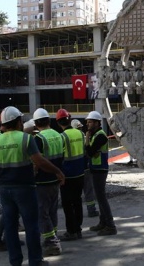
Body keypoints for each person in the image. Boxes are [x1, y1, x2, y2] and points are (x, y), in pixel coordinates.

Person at [0, 106, 65, 266]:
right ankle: (35, 261)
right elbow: (39, 161)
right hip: (25, 188)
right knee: (31, 226)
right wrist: (57, 171)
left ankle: (15, 262)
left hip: (6, 190)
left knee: (11, 227)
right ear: (19, 121)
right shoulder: (26, 139)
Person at [32, 108, 64, 256]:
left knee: (42, 213)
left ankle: (51, 243)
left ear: (36, 123)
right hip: (56, 179)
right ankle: (54, 236)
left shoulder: (39, 139)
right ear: (49, 121)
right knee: (52, 211)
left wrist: (33, 174)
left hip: (43, 181)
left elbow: (38, 162)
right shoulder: (58, 135)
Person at [85, 111, 118, 236]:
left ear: (97, 123)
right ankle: (103, 222)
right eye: (87, 122)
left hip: (100, 170)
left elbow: (90, 152)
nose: (88, 124)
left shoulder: (100, 136)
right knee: (100, 197)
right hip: (96, 169)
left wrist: (87, 138)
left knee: (101, 198)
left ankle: (110, 225)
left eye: (91, 122)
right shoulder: (95, 135)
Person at [56, 109, 86, 241]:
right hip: (80, 173)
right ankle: (78, 229)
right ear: (70, 119)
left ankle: (71, 231)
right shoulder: (80, 133)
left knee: (68, 204)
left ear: (58, 122)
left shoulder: (61, 137)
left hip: (67, 175)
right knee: (78, 201)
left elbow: (59, 156)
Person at [72, 119, 99, 218]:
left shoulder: (69, 137)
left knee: (76, 192)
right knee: (88, 190)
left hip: (74, 169)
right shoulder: (84, 137)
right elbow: (89, 151)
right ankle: (91, 210)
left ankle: (75, 212)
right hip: (85, 167)